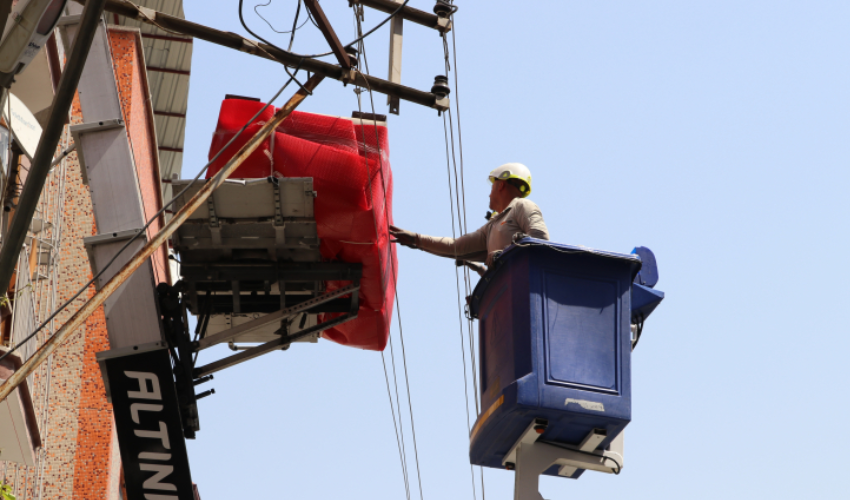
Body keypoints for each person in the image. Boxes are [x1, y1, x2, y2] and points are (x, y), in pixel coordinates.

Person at [389, 163, 549, 267]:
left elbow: (540, 239)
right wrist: (417, 240)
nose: (489, 194)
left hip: (524, 284)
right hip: (505, 291)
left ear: (501, 185)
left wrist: (507, 254)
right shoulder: (491, 226)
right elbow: (456, 247)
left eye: (492, 187)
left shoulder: (522, 206)